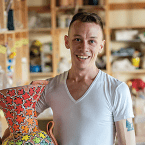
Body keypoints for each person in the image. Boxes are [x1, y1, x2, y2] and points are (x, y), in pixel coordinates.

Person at [0, 12, 136, 145]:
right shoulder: (50, 86)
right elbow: (19, 122)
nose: (84, 47)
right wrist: (29, 94)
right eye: (77, 39)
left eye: (92, 41)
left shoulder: (116, 89)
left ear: (101, 46)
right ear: (66, 42)